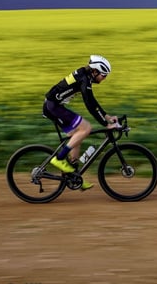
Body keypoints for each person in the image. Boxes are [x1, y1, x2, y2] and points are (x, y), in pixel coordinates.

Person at [43, 54, 119, 190]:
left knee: (77, 135)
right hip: (53, 106)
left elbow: (92, 101)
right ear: (95, 71)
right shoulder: (84, 80)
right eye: (104, 75)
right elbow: (90, 105)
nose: (105, 78)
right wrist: (106, 124)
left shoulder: (85, 77)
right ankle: (59, 159)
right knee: (86, 128)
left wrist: (107, 117)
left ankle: (73, 175)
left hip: (53, 105)